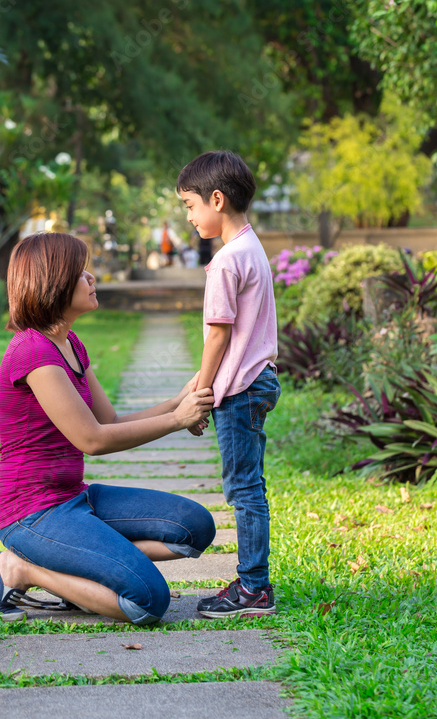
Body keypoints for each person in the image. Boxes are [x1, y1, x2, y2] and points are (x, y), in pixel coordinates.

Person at [0, 232, 215, 624]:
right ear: (52, 281)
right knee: (147, 601)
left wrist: (177, 402)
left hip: (75, 499)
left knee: (195, 527)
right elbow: (92, 440)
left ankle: (85, 562)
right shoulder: (32, 351)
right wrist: (177, 421)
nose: (92, 278)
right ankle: (18, 569)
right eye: (81, 271)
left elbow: (109, 422)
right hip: (32, 514)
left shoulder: (70, 343)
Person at [177, 150, 280, 618]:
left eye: (190, 205)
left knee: (243, 489)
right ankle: (253, 581)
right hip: (259, 379)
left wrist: (202, 390)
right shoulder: (253, 247)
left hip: (240, 389)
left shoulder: (225, 262)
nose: (190, 216)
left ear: (216, 199)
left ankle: (253, 587)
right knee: (250, 484)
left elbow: (219, 334)